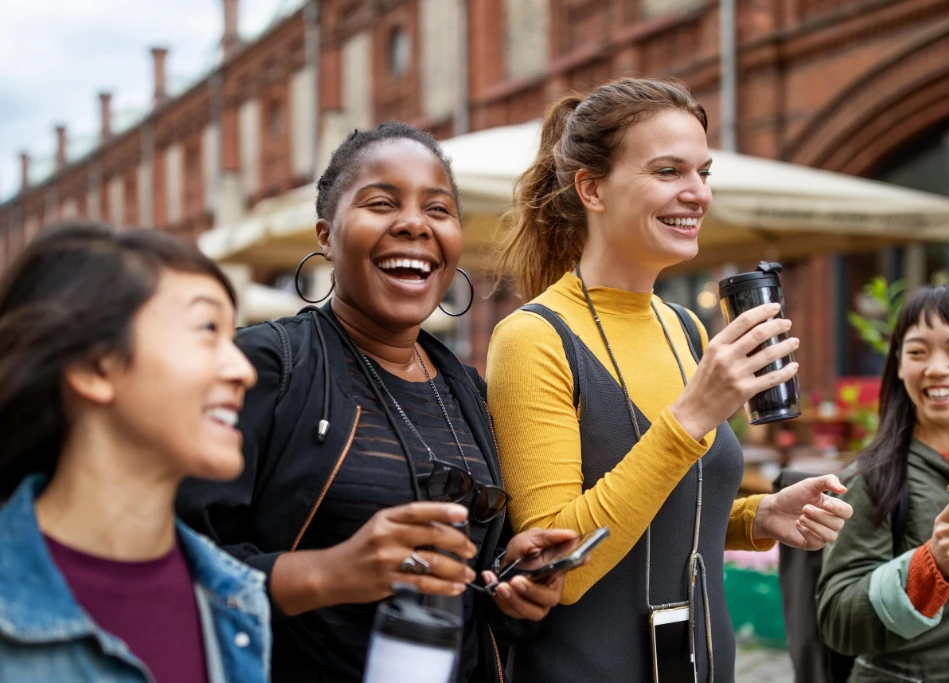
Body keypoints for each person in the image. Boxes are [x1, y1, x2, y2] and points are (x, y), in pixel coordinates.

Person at [177, 121, 577, 683]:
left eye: (438, 210)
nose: (414, 223)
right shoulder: (264, 366)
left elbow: (464, 597)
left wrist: (512, 589)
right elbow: (171, 565)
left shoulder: (466, 390)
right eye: (381, 202)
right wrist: (331, 573)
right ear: (325, 234)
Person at [486, 76, 854, 683]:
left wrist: (759, 518)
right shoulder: (534, 337)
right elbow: (559, 567)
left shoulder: (684, 327)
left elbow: (673, 501)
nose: (697, 194)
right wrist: (691, 417)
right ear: (591, 188)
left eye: (703, 173)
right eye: (668, 172)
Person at [0, 223, 270, 682]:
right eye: (207, 328)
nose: (243, 369)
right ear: (96, 366)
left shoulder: (237, 598)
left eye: (233, 334)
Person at [817, 282, 949, 682]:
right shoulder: (870, 479)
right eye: (917, 352)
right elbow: (837, 622)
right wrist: (933, 563)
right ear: (898, 364)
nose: (936, 368)